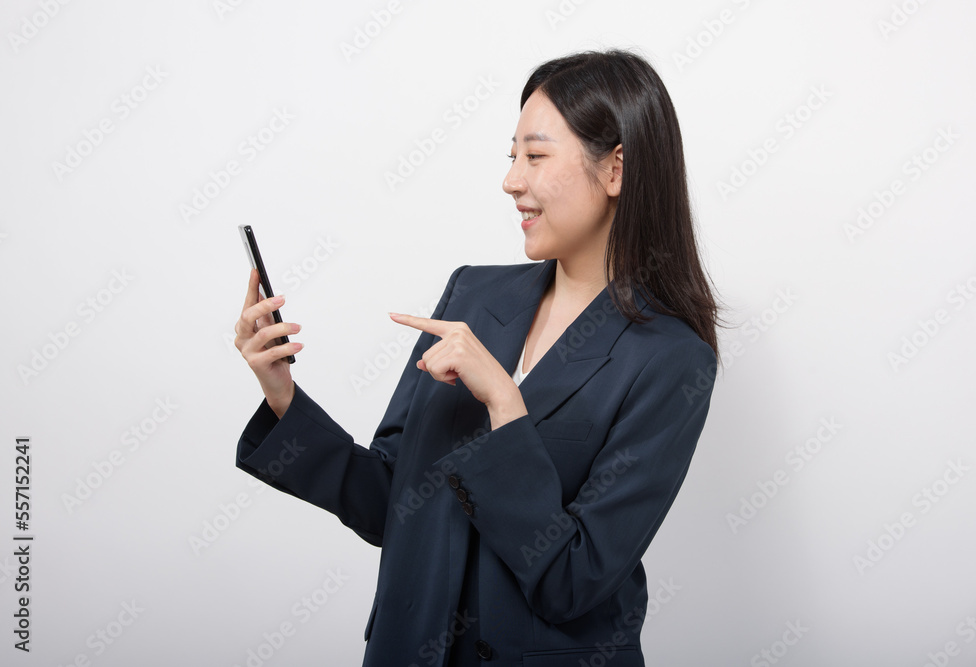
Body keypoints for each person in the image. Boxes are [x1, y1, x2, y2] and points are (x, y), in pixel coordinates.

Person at [234, 49, 720, 667]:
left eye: (535, 157)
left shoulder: (671, 359)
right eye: (511, 156)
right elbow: (392, 507)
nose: (511, 181)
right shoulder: (473, 295)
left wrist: (505, 406)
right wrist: (282, 396)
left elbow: (574, 580)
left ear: (615, 169)